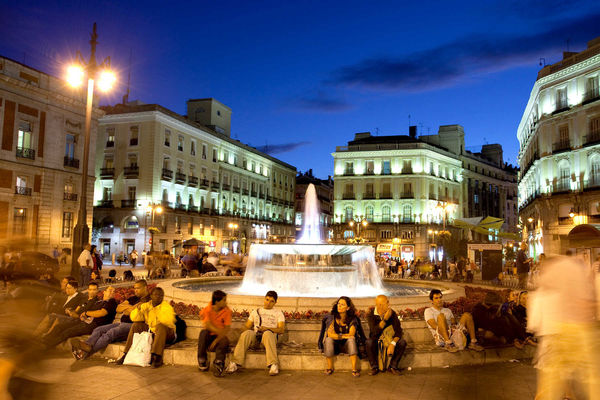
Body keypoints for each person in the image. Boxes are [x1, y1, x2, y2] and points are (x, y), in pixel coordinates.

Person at [71, 280, 150, 360]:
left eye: (138, 288)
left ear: (145, 287)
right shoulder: (133, 298)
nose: (135, 290)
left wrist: (127, 307)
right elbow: (119, 308)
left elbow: (134, 312)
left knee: (111, 333)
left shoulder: (148, 300)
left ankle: (84, 353)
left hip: (134, 326)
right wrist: (131, 308)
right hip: (122, 323)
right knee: (98, 329)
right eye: (135, 288)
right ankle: (87, 345)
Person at [226, 290, 285, 376]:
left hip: (269, 339)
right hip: (256, 338)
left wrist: (267, 328)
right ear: (264, 299)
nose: (268, 303)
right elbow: (247, 326)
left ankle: (273, 364)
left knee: (267, 333)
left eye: (272, 301)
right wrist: (238, 331)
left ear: (275, 303)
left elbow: (281, 329)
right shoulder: (256, 312)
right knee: (247, 333)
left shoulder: (278, 313)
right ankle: (234, 363)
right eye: (267, 299)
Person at [115, 287, 176, 368]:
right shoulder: (147, 306)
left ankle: (157, 357)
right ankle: (126, 353)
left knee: (160, 326)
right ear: (151, 296)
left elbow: (166, 321)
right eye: (156, 295)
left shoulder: (166, 306)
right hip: (152, 332)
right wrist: (139, 309)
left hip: (167, 334)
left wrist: (154, 310)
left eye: (161, 295)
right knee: (136, 325)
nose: (159, 297)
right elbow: (134, 318)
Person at [42, 283, 117, 348]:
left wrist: (86, 313)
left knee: (68, 332)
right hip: (84, 322)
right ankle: (43, 341)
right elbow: (89, 312)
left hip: (93, 325)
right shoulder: (99, 302)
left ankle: (47, 345)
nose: (111, 292)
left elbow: (102, 313)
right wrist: (83, 316)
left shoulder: (111, 302)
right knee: (59, 326)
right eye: (109, 290)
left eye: (113, 292)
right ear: (104, 292)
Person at [318, 296, 365, 377]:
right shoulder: (331, 317)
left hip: (347, 346)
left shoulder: (352, 318)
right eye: (338, 303)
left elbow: (351, 334)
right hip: (334, 346)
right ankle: (330, 367)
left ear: (348, 308)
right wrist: (343, 336)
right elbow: (330, 334)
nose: (339, 306)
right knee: (329, 339)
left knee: (351, 340)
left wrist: (339, 336)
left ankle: (354, 369)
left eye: (342, 304)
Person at [366, 295, 407, 375]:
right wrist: (385, 319)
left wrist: (393, 343)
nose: (389, 304)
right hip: (377, 338)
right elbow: (374, 331)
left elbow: (398, 331)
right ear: (380, 305)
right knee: (369, 342)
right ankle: (374, 367)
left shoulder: (392, 313)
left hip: (389, 339)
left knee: (402, 343)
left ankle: (393, 366)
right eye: (387, 302)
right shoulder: (371, 314)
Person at [197, 290, 231, 377]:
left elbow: (227, 329)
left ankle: (218, 363)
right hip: (209, 335)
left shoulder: (227, 311)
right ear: (217, 302)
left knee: (224, 341)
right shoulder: (207, 309)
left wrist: (216, 340)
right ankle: (202, 359)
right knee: (203, 333)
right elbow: (207, 325)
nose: (225, 302)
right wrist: (219, 331)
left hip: (220, 337)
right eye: (224, 300)